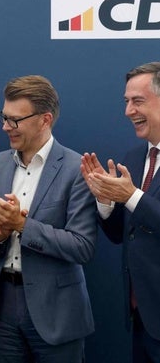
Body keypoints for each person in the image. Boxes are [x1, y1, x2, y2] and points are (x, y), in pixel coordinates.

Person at [0, 75, 97, 362]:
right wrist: (0, 232)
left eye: (14, 120)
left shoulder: (77, 169)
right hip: (1, 311)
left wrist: (23, 225)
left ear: (44, 119)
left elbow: (82, 246)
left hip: (58, 314)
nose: (5, 127)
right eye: (4, 117)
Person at [81, 62, 160, 363]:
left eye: (138, 101)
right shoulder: (135, 157)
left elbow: (140, 205)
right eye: (126, 101)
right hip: (142, 317)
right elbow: (120, 235)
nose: (128, 111)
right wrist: (105, 199)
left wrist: (131, 195)